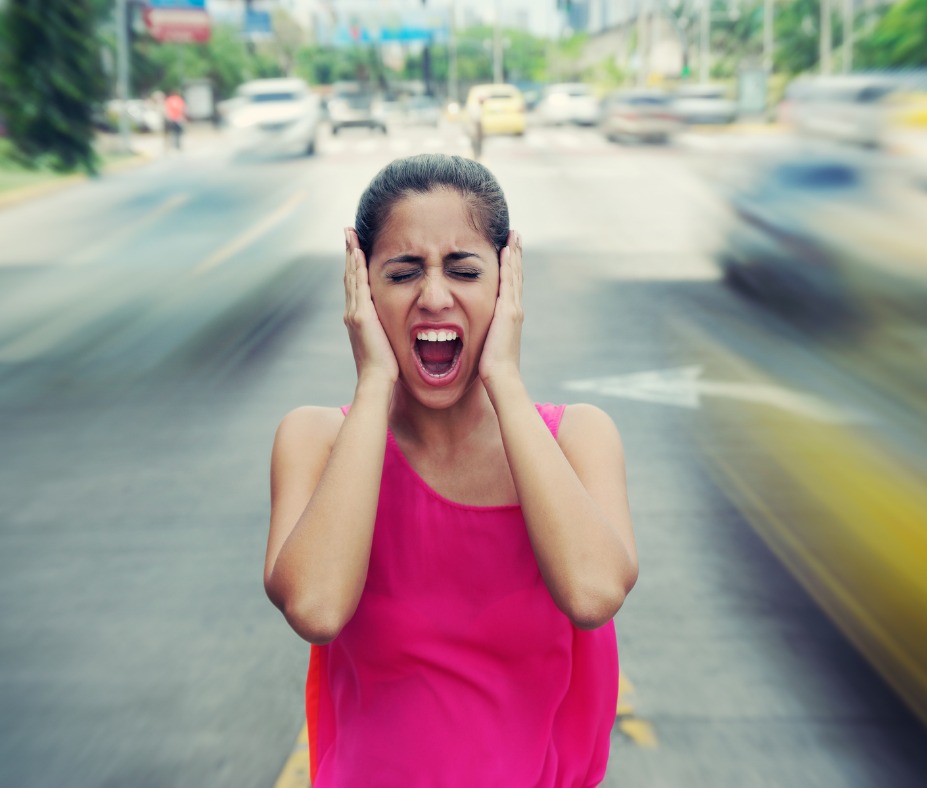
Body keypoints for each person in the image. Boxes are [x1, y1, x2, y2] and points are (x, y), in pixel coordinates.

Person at [264, 154, 638, 786]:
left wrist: (505, 380)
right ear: (361, 285)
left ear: (507, 279)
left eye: (463, 270)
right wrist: (376, 380)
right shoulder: (316, 439)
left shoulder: (578, 438)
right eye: (403, 272)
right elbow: (318, 608)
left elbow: (593, 593)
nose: (433, 296)